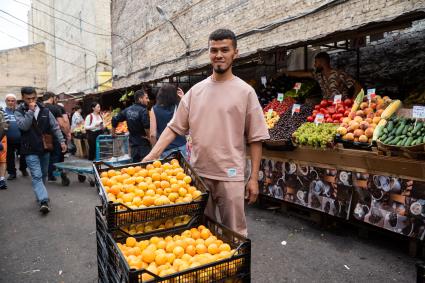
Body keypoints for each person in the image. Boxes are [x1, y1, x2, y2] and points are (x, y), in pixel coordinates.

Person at [143, 29, 269, 236]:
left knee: (234, 234)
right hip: (199, 175)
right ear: (209, 53)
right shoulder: (195, 92)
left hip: (231, 176)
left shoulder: (245, 92)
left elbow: (256, 138)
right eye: (214, 50)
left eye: (224, 50)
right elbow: (174, 128)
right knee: (202, 235)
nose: (219, 55)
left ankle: (235, 269)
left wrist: (254, 178)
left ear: (235, 53)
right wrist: (152, 155)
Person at [15, 87, 66, 213]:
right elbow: (24, 126)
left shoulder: (45, 109)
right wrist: (30, 111)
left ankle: (40, 195)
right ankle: (44, 200)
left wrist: (62, 141)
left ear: (36, 96)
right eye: (28, 99)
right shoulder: (19, 111)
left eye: (33, 98)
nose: (31, 101)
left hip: (45, 147)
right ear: (23, 98)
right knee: (37, 175)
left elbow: (55, 127)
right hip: (29, 149)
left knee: (43, 174)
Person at [281, 51, 362, 100]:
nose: (314, 65)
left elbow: (358, 87)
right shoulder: (318, 76)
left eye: (315, 62)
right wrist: (286, 72)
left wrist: (352, 102)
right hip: (327, 110)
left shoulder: (339, 74)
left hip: (342, 109)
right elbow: (301, 74)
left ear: (321, 62)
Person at [112, 89, 151, 163]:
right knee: (146, 167)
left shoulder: (128, 110)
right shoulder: (143, 111)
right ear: (140, 99)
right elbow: (146, 127)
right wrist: (149, 138)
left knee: (135, 168)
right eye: (146, 98)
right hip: (143, 145)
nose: (148, 100)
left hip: (133, 145)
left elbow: (114, 119)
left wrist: (113, 133)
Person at [150, 84, 187, 158]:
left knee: (169, 169)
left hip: (165, 150)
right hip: (182, 147)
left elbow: (152, 135)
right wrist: (184, 97)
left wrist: (155, 150)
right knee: (185, 169)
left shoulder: (154, 109)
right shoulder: (179, 106)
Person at [43, 92, 69, 182]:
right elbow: (61, 124)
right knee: (55, 155)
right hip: (54, 136)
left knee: (44, 156)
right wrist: (66, 134)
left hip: (41, 137)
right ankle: (51, 175)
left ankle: (43, 175)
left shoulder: (39, 107)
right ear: (52, 98)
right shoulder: (55, 108)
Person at [4, 93, 28, 180]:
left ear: (15, 102)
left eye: (12, 101)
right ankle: (12, 173)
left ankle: (23, 168)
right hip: (8, 139)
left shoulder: (20, 111)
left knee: (24, 155)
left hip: (21, 138)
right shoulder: (3, 112)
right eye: (8, 100)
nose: (10, 102)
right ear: (6, 102)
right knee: (9, 157)